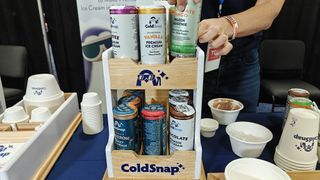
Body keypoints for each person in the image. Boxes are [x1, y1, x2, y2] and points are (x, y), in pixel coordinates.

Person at [168, 0, 285, 114]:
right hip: (190, 58)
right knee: (183, 124)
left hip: (241, 65)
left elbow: (269, 9)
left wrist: (228, 24)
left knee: (241, 127)